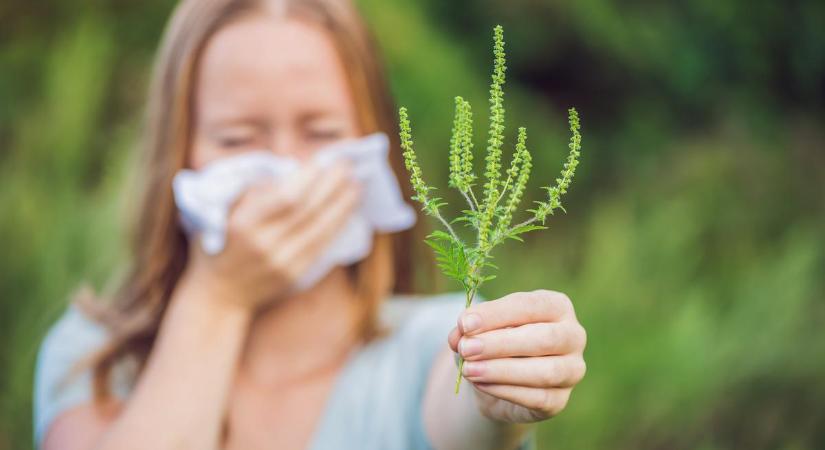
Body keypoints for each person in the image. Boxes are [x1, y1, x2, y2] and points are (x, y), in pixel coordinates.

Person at [33, 0, 587, 449]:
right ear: (177, 152)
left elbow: (465, 408)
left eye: (320, 133)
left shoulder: (429, 344)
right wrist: (218, 295)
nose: (289, 173)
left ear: (375, 145)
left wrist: (502, 397)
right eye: (238, 138)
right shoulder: (92, 358)